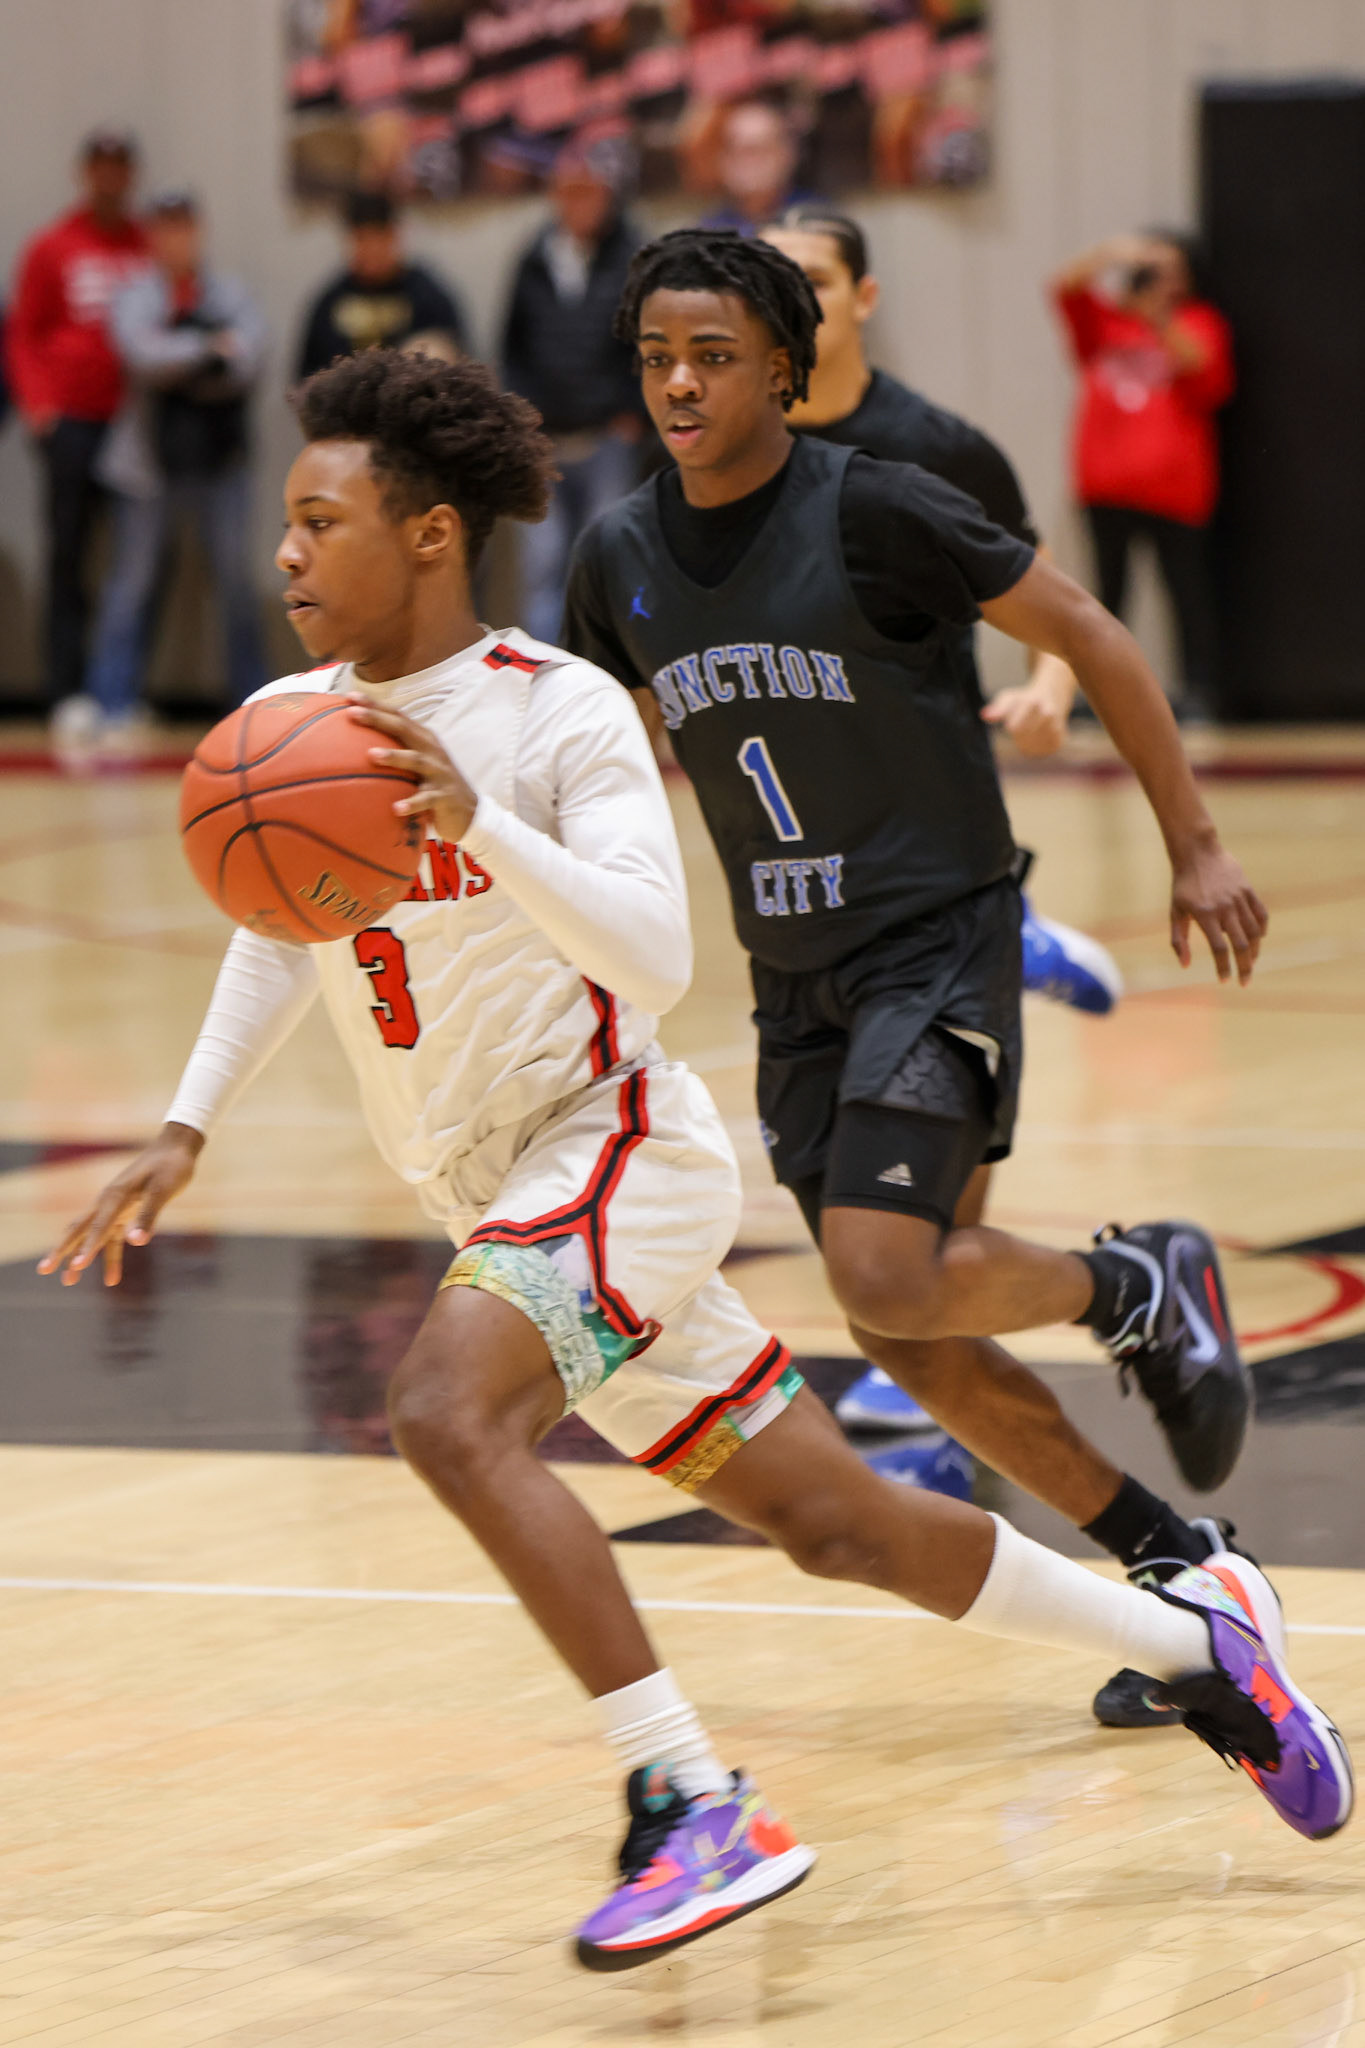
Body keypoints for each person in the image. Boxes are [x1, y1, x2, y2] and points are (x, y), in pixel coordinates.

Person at [38, 348, 1352, 1970]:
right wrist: (183, 1122)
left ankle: (689, 1799)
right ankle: (1203, 1646)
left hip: (610, 1154)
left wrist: (483, 826)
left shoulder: (552, 706)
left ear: (432, 533)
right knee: (838, 1523)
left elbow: (657, 957)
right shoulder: (284, 728)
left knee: (447, 1410)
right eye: (288, 525)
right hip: (492, 1188)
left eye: (322, 520)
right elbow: (282, 923)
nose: (287, 554)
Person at [563, 229, 1271, 1731]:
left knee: (882, 1274)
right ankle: (1179, 1567)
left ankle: (1132, 1280)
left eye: (712, 357)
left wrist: (1194, 848)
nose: (679, 385)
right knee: (904, 1328)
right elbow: (593, 759)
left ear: (782, 364)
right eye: (655, 360)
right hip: (791, 971)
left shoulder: (877, 505)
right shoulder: (618, 556)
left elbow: (1085, 629)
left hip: (932, 933)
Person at [761, 205, 1121, 1440]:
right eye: (772, 279)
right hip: (803, 853)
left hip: (924, 832)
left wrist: (1050, 697)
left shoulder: (931, 446)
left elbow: (1050, 591)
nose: (789, 297)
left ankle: (1011, 932)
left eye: (810, 277)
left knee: (928, 1164)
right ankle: (1024, 939)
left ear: (863, 296)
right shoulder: (725, 448)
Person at [72, 190, 268, 743]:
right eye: (165, 228)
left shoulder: (230, 291)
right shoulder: (137, 294)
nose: (175, 239)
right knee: (130, 584)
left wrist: (189, 354)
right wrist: (208, 349)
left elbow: (250, 358)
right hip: (148, 464)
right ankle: (111, 702)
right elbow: (140, 355)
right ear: (153, 235)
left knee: (236, 582)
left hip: (219, 463)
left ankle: (254, 704)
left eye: (184, 227)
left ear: (198, 231)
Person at [1051, 232, 1234, 721]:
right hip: (1105, 485)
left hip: (1176, 488)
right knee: (1107, 596)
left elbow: (1206, 372)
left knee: (1186, 593)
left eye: (1169, 267)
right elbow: (1065, 286)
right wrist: (1112, 253)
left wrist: (1159, 316)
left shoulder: (1200, 322)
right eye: (1151, 267)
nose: (1159, 276)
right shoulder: (1105, 322)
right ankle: (1100, 693)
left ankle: (1200, 691)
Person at [5, 129, 150, 742]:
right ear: (84, 173)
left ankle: (117, 691)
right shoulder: (51, 246)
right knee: (67, 559)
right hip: (72, 425)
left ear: (131, 175)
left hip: (133, 429)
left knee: (134, 564)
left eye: (120, 168)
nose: (110, 178)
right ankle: (65, 692)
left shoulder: (145, 245)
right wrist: (40, 408)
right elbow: (22, 333)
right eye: (100, 167)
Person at [501, 132, 646, 643]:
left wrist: (633, 412)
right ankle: (541, 672)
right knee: (542, 566)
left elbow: (647, 344)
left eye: (589, 189)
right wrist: (520, 414)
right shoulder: (535, 256)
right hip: (544, 441)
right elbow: (512, 345)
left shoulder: (634, 254)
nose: (578, 201)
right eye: (568, 189)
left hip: (608, 437)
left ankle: (603, 669)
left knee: (604, 559)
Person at [295, 191, 467, 380]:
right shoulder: (330, 301)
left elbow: (459, 367)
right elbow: (306, 375)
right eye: (361, 239)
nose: (371, 249)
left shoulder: (429, 297)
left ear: (396, 236)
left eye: (379, 238)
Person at [700, 99, 813, 236]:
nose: (748, 162)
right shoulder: (707, 231)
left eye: (760, 149)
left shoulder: (816, 223)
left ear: (788, 154)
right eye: (736, 149)